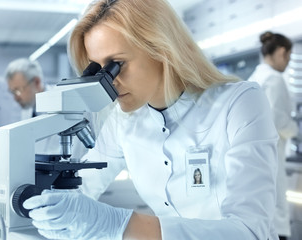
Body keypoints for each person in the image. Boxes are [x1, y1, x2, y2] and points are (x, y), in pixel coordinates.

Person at [23, 0, 279, 239]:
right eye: (98, 69)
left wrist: (117, 224)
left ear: (160, 49)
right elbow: (80, 189)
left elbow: (250, 231)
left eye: (117, 65)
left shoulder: (239, 103)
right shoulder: (123, 120)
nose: (108, 82)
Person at [248, 31, 297, 240]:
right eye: (287, 56)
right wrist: (296, 129)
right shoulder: (275, 79)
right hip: (271, 156)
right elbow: (279, 121)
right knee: (276, 212)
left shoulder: (255, 77)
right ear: (281, 52)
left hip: (254, 159)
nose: (287, 62)